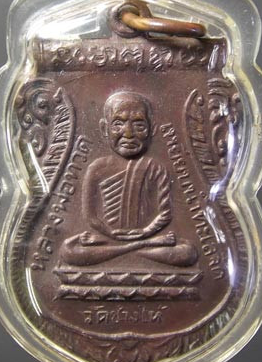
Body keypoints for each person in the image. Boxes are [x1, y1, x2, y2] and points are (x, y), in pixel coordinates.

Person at [60, 91, 197, 267]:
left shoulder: (155, 167)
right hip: (109, 240)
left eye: (139, 125)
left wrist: (145, 232)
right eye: (118, 124)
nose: (129, 134)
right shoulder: (97, 168)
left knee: (187, 252)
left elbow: (165, 213)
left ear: (152, 129)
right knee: (68, 250)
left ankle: (130, 249)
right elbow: (91, 217)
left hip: (148, 238)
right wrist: (110, 233)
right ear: (104, 128)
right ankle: (136, 249)